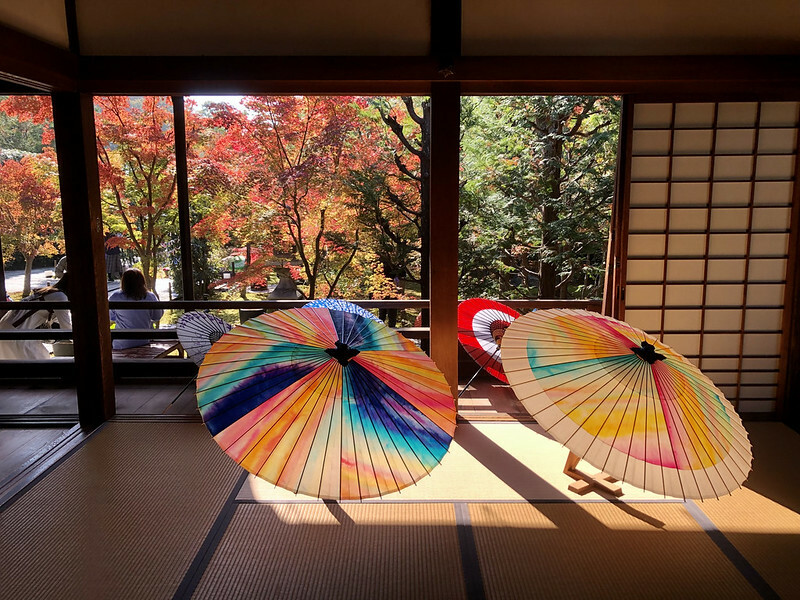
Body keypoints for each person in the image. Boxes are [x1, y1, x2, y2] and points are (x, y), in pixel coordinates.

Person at [0, 274, 72, 360]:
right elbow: (67, 328)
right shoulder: (60, 297)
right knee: (41, 362)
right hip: (18, 334)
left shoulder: (49, 292)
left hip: (6, 329)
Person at [108, 268, 163, 350]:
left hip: (122, 344)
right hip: (143, 341)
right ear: (142, 281)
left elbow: (110, 317)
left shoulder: (115, 297)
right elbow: (157, 316)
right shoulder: (149, 296)